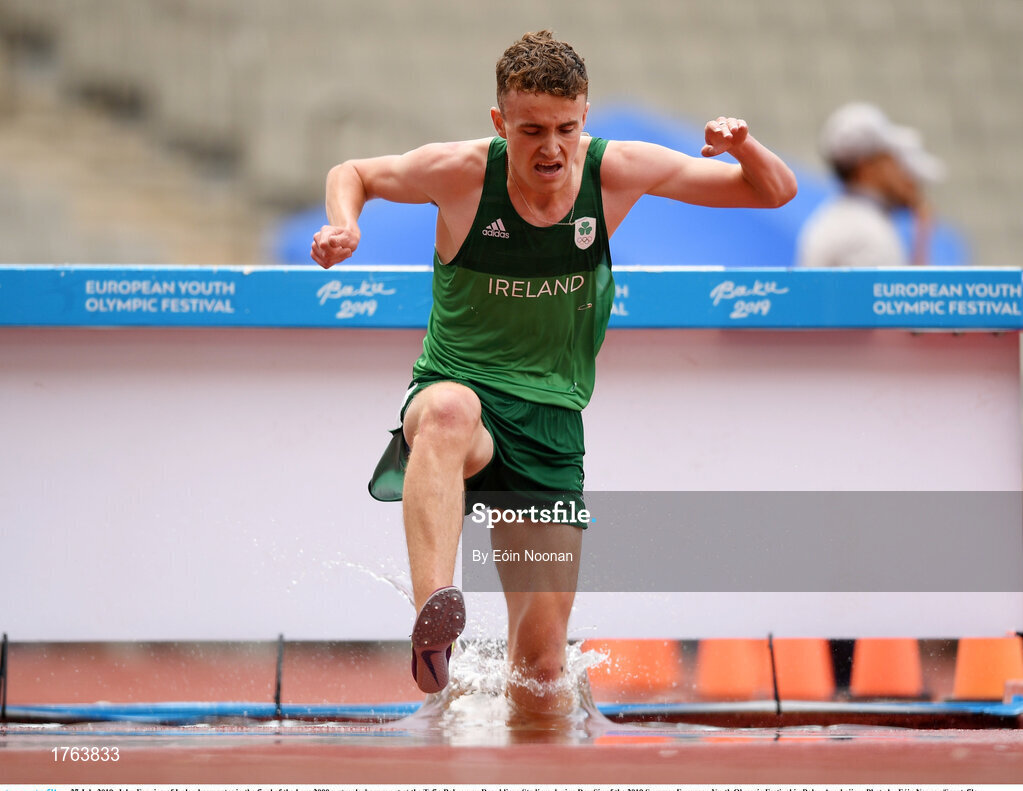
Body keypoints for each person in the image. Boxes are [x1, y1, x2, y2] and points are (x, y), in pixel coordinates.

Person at [311, 30, 796, 718]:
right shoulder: (460, 172)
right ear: (498, 122)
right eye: (530, 129)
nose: (550, 148)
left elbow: (771, 193)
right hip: (461, 389)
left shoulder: (618, 171)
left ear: (585, 119)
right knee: (445, 415)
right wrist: (344, 225)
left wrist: (742, 143)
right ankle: (434, 616)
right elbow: (352, 173)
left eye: (566, 128)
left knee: (541, 665)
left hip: (550, 422)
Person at [797, 102, 945, 268]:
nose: (905, 171)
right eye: (891, 159)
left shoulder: (840, 218)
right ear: (866, 167)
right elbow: (892, 293)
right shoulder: (869, 233)